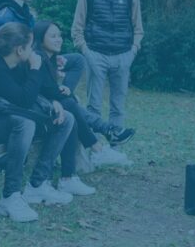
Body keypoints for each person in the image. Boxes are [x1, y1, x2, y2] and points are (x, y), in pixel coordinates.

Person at [0, 22, 87, 222]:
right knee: (24, 123)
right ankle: (11, 195)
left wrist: (52, 102)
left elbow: (35, 92)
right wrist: (35, 69)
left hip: (5, 120)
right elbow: (23, 100)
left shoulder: (16, 64)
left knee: (66, 119)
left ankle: (37, 185)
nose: (34, 51)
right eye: (31, 46)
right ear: (20, 49)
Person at [34, 21, 131, 168]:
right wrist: (60, 93)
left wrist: (64, 88)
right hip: (37, 109)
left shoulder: (51, 58)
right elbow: (43, 89)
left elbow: (49, 87)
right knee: (69, 103)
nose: (59, 39)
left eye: (59, 35)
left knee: (77, 65)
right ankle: (100, 143)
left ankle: (105, 135)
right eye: (53, 36)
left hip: (51, 102)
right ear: (40, 39)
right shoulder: (37, 58)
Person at [71, 0, 142, 146]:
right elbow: (77, 28)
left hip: (123, 55)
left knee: (118, 106)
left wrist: (133, 51)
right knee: (93, 106)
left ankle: (115, 149)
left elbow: (138, 28)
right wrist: (86, 51)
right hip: (96, 55)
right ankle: (96, 149)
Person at [0, 0, 86, 93]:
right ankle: (58, 95)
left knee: (77, 59)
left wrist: (51, 58)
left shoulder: (27, 15)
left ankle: (65, 92)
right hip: (21, 66)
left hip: (36, 57)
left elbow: (35, 43)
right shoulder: (5, 17)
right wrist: (43, 62)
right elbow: (2, 54)